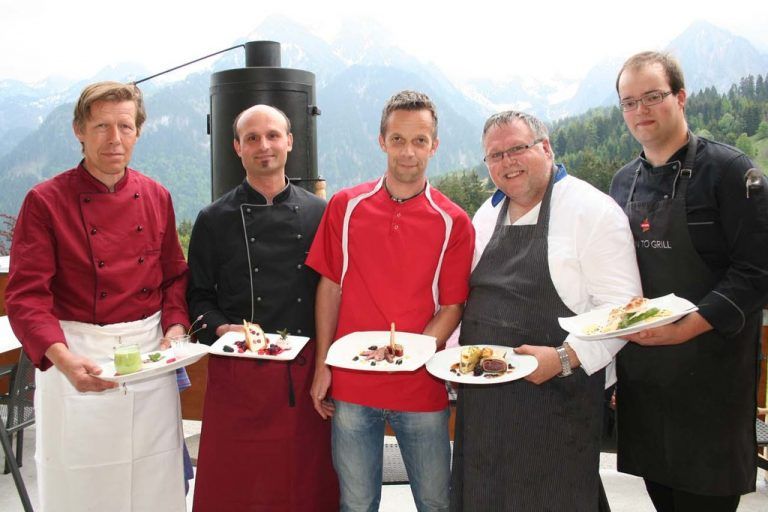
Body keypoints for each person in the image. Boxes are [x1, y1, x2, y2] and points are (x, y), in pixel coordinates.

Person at [5, 81, 189, 511]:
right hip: (75, 353)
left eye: (125, 126)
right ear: (78, 130)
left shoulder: (157, 196)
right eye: (102, 126)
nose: (114, 138)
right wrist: (65, 361)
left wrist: (176, 327)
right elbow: (26, 296)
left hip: (148, 359)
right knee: (81, 485)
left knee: (152, 477)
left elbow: (174, 277)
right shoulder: (45, 201)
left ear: (138, 132)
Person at [450, 110, 642, 511]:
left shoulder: (593, 210)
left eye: (517, 148)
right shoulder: (486, 215)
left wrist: (562, 358)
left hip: (557, 400)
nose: (507, 162)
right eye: (495, 156)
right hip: (485, 404)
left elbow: (624, 311)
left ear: (546, 148)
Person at [610, 51, 768, 511]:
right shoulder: (623, 183)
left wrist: (689, 325)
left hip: (712, 381)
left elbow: (756, 271)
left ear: (680, 97)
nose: (641, 110)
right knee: (662, 498)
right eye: (629, 101)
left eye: (653, 97)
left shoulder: (731, 172)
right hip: (648, 383)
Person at [306, 90, 474, 512]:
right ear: (381, 140)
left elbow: (452, 305)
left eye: (419, 140)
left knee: (436, 503)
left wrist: (413, 354)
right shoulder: (345, 206)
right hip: (352, 385)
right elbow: (330, 286)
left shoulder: (453, 221)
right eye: (397, 139)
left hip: (421, 386)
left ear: (434, 145)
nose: (408, 151)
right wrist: (323, 364)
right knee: (357, 503)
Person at [187, 104, 339, 511]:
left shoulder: (320, 213)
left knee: (304, 489)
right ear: (237, 147)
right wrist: (222, 330)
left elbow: (335, 291)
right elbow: (198, 298)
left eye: (273, 135)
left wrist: (328, 366)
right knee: (238, 491)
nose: (264, 145)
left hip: (306, 375)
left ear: (289, 142)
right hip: (238, 378)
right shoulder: (213, 219)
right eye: (252, 138)